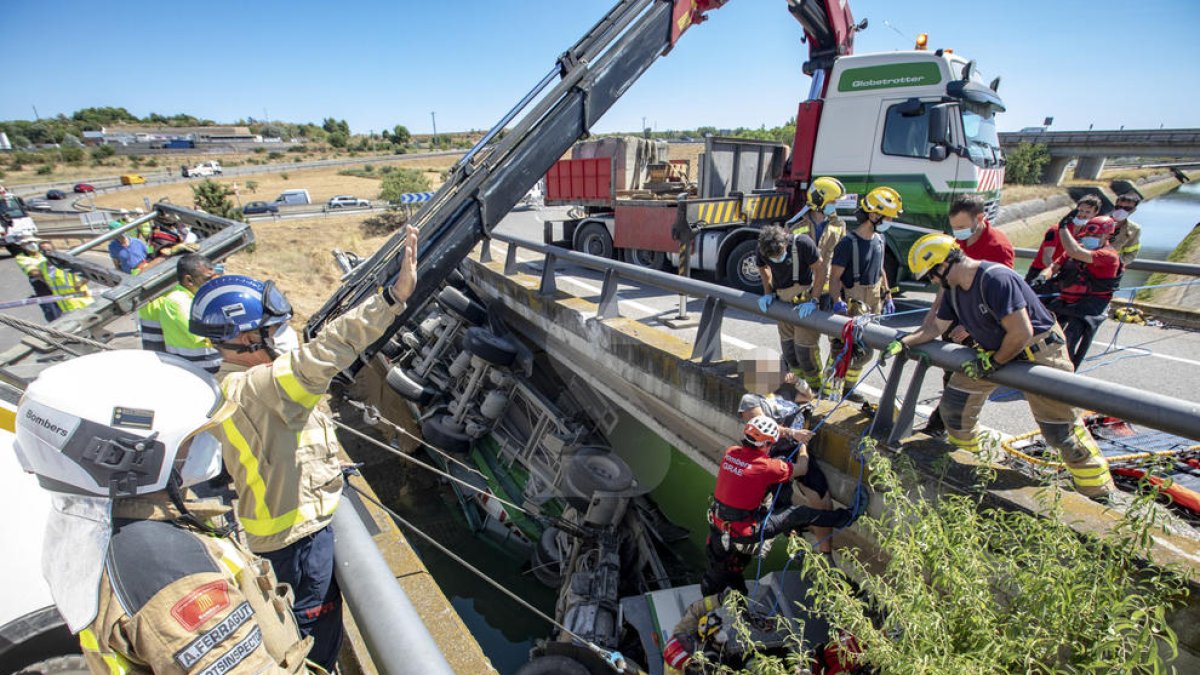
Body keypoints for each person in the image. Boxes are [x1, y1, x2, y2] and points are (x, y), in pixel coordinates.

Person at [188, 226, 420, 670]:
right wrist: (392, 298)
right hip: (299, 542)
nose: (281, 335)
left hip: (277, 536)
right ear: (245, 338)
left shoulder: (229, 381)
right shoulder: (262, 386)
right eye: (272, 329)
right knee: (314, 646)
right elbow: (327, 352)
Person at [13, 350, 318, 674]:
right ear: (126, 459)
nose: (203, 444)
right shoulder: (167, 570)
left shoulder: (88, 521)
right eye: (187, 440)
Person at [890, 233, 1116, 499]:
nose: (932, 282)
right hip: (992, 354)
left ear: (943, 265)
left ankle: (1098, 491)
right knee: (954, 409)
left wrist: (994, 363)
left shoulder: (995, 279)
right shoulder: (954, 291)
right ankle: (974, 463)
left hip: (1037, 353)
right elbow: (934, 327)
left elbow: (1021, 332)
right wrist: (906, 342)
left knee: (1060, 432)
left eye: (931, 276)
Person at [702, 415, 857, 596]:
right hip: (748, 529)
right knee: (798, 513)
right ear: (767, 445)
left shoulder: (730, 453)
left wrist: (792, 432)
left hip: (720, 526)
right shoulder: (767, 467)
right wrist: (803, 446)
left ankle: (739, 599)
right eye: (772, 443)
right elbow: (803, 468)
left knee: (726, 569)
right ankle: (846, 517)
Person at [921, 195, 1015, 437]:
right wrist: (932, 315)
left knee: (967, 378)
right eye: (955, 228)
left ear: (980, 218)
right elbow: (945, 282)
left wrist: (971, 327)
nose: (958, 232)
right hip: (954, 314)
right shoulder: (956, 244)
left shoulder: (998, 247)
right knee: (949, 370)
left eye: (962, 227)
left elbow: (1002, 297)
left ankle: (948, 426)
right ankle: (942, 423)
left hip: (977, 323)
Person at [738, 351, 835, 556]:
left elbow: (810, 397)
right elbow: (764, 427)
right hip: (774, 454)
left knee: (822, 499)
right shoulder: (750, 399)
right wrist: (793, 433)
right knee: (782, 506)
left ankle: (826, 555)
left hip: (799, 448)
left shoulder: (785, 391)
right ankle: (793, 547)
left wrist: (799, 381)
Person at [824, 186, 902, 401]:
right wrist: (836, 301)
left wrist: (888, 294)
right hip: (853, 302)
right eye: (887, 217)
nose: (889, 222)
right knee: (841, 350)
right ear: (874, 215)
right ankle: (829, 388)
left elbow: (880, 268)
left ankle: (849, 387)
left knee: (865, 351)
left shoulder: (879, 239)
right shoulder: (848, 244)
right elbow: (835, 276)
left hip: (873, 300)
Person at [784, 177, 848, 386]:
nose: (835, 206)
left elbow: (842, 260)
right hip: (805, 294)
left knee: (837, 342)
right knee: (805, 348)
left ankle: (831, 387)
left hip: (830, 292)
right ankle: (812, 385)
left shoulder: (839, 225)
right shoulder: (795, 226)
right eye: (833, 202)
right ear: (821, 201)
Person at [1045, 216, 1123, 368]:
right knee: (1045, 330)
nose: (1091, 239)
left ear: (1107, 236)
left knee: (1069, 340)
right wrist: (1043, 276)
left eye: (1096, 236)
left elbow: (1074, 251)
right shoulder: (1079, 247)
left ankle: (1065, 374)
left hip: (1090, 305)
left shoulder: (1108, 256)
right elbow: (1055, 266)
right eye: (1089, 235)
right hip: (1067, 299)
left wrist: (1063, 228)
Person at [754, 224, 824, 391]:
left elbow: (821, 271)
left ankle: (816, 389)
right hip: (782, 300)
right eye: (773, 258)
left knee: (805, 352)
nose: (777, 259)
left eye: (779, 255)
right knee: (790, 352)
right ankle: (798, 387)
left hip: (804, 299)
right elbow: (763, 270)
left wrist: (814, 300)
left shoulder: (803, 244)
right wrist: (768, 292)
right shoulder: (763, 249)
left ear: (785, 243)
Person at [139, 253, 222, 373]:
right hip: (198, 369)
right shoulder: (179, 301)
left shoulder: (192, 297)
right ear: (189, 280)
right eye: (207, 279)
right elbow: (207, 335)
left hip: (198, 366)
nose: (212, 284)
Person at [1025, 194, 1101, 284]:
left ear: (1095, 213)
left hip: (1065, 275)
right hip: (1040, 272)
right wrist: (1055, 273)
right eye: (1081, 210)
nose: (1082, 214)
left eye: (1087, 212)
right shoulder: (1056, 230)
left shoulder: (1089, 234)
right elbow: (1046, 258)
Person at [13, 234, 62, 322]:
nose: (32, 244)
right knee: (53, 311)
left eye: (33, 242)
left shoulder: (44, 253)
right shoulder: (21, 257)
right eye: (28, 243)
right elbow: (34, 272)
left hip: (59, 282)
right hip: (42, 285)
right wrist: (48, 271)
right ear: (22, 246)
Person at [38, 239, 94, 314]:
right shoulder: (42, 266)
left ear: (54, 250)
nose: (46, 252)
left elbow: (88, 273)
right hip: (65, 306)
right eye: (43, 250)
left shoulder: (65, 261)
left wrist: (80, 283)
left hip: (81, 302)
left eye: (48, 250)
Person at [1109, 192, 1143, 265]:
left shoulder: (1134, 229)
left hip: (1111, 269)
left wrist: (1118, 264)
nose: (1121, 210)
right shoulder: (1098, 221)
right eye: (1118, 207)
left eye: (1127, 208)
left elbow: (1131, 253)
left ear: (1133, 210)